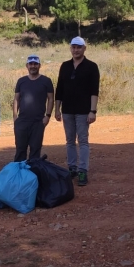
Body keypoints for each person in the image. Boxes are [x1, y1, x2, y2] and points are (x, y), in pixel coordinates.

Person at [54, 36, 100, 187]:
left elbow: (94, 90)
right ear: (70, 48)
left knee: (83, 141)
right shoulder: (65, 66)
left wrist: (92, 111)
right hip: (67, 110)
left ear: (84, 48)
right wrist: (57, 109)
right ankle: (72, 168)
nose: (76, 50)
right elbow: (59, 89)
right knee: (69, 141)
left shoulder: (91, 66)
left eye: (79, 47)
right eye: (73, 47)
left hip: (83, 111)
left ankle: (82, 171)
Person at [13, 55, 54, 162]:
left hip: (38, 121)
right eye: (31, 64)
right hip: (22, 121)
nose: (33, 66)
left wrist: (48, 116)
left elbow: (50, 99)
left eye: (35, 64)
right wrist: (15, 117)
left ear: (39, 66)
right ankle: (19, 175)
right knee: (20, 150)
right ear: (27, 66)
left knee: (35, 150)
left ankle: (33, 175)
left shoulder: (46, 81)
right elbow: (16, 99)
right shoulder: (21, 81)